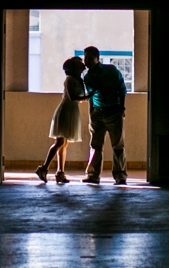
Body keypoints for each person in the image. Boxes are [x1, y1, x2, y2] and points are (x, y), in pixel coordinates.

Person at [80, 45, 128, 185]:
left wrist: (121, 108)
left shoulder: (111, 70)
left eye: (89, 58)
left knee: (118, 145)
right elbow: (90, 97)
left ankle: (120, 176)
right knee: (95, 145)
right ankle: (93, 175)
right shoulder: (87, 77)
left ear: (97, 58)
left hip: (113, 111)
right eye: (85, 58)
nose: (86, 61)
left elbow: (121, 88)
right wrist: (91, 113)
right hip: (97, 113)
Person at [36, 57, 87, 185]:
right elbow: (73, 97)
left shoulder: (79, 80)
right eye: (78, 62)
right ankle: (44, 168)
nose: (82, 63)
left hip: (72, 111)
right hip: (66, 111)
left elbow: (80, 98)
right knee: (59, 141)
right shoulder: (70, 79)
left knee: (64, 143)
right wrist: (90, 96)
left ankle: (60, 172)